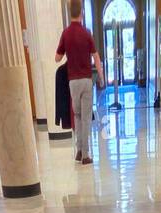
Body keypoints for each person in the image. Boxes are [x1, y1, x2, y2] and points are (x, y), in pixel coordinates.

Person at [56, 0, 104, 166]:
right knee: (85, 118)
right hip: (86, 80)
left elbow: (57, 58)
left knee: (76, 115)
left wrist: (68, 54)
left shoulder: (65, 34)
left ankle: (78, 149)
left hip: (73, 82)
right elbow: (96, 57)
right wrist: (102, 77)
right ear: (81, 13)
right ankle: (85, 154)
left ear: (71, 14)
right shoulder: (86, 33)